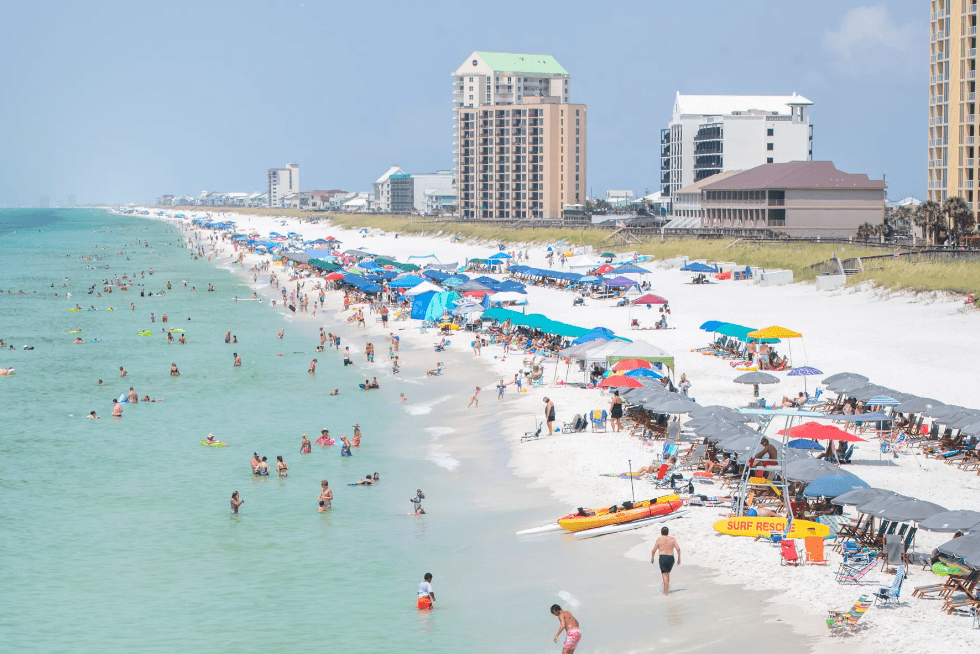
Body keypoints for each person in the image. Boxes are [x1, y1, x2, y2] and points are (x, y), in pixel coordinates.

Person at [651, 526, 681, 595]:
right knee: (667, 573)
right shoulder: (672, 539)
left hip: (663, 557)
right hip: (671, 557)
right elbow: (678, 549)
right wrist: (679, 559)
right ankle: (667, 589)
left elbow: (653, 550)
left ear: (661, 532)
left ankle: (666, 593)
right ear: (668, 532)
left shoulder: (659, 539)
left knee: (664, 574)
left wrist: (652, 558)